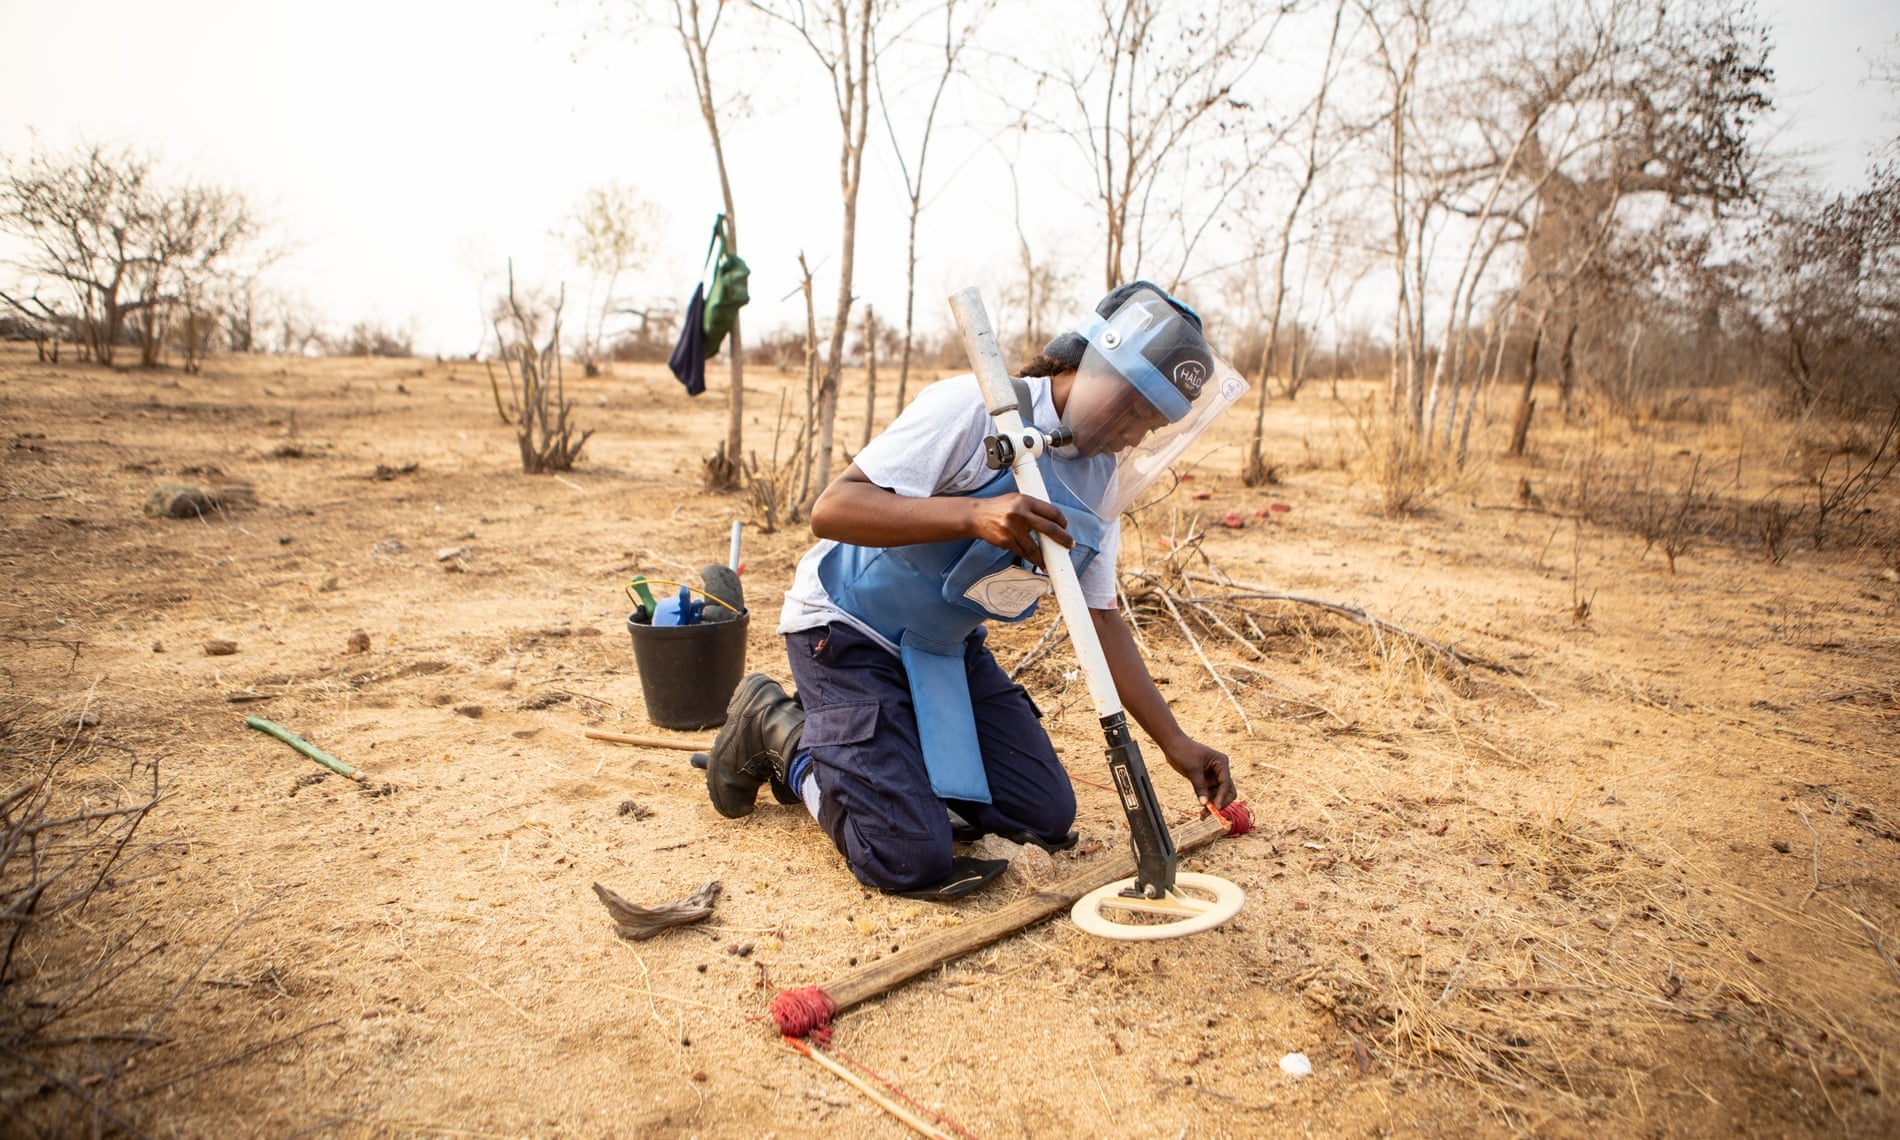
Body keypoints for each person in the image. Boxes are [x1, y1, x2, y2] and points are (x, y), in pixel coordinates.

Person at [703, 281, 1246, 900]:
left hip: (941, 648)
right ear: (1092, 362)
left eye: (1152, 423)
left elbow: (1099, 618)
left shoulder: (1101, 487)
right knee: (906, 856)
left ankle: (887, 755)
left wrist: (1174, 742)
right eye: (1132, 405)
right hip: (846, 629)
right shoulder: (976, 410)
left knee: (1044, 816)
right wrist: (970, 515)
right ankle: (783, 733)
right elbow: (833, 509)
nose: (1132, 434)